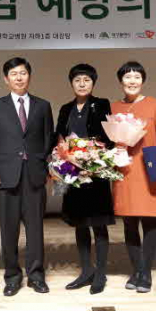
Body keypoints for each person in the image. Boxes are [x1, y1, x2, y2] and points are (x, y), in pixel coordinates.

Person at [0, 57, 54, 296]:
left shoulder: (43, 106)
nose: (19, 78)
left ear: (29, 76)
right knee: (9, 230)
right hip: (6, 176)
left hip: (34, 175)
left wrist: (44, 166)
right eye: (14, 74)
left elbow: (48, 139)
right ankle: (12, 277)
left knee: (35, 229)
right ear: (6, 79)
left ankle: (36, 276)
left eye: (23, 73)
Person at [111, 61, 156, 293]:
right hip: (124, 170)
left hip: (150, 168)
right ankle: (136, 270)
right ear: (121, 81)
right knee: (129, 222)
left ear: (143, 81)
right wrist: (114, 150)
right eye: (128, 77)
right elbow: (111, 139)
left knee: (149, 221)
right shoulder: (114, 106)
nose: (132, 81)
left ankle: (146, 272)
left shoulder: (153, 104)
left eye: (137, 77)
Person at [55, 64, 115, 295]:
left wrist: (90, 157)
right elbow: (59, 137)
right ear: (71, 83)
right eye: (77, 80)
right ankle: (86, 271)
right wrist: (64, 156)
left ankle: (100, 274)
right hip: (72, 172)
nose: (82, 84)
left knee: (98, 224)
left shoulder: (101, 104)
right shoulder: (65, 108)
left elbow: (108, 137)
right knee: (79, 224)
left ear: (93, 83)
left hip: (95, 172)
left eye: (86, 80)